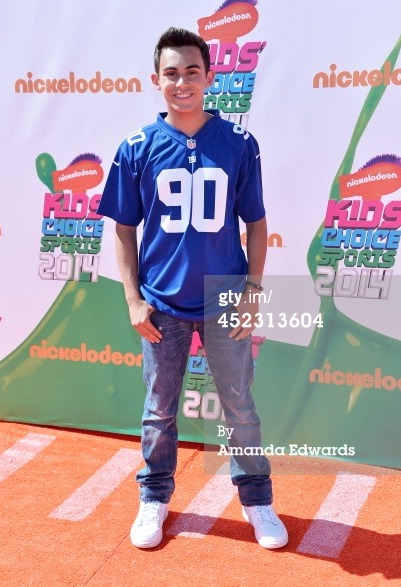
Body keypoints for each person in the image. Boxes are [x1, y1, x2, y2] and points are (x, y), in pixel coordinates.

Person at [97, 27, 288, 550]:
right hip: (161, 303)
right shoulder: (136, 147)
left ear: (209, 76)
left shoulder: (239, 143)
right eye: (172, 73)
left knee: (238, 404)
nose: (182, 82)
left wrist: (252, 289)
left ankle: (257, 499)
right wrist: (133, 298)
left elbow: (255, 221)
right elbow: (123, 228)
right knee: (159, 408)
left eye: (192, 72)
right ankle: (154, 496)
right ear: (156, 80)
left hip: (224, 298)